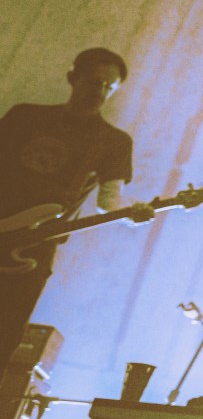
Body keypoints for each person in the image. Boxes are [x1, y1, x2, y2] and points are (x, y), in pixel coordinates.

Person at [1, 48, 151, 366]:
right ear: (73, 78)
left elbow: (109, 201)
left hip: (32, 251)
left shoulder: (113, 142)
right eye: (95, 81)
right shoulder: (25, 116)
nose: (101, 91)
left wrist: (133, 213)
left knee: (4, 338)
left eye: (109, 87)